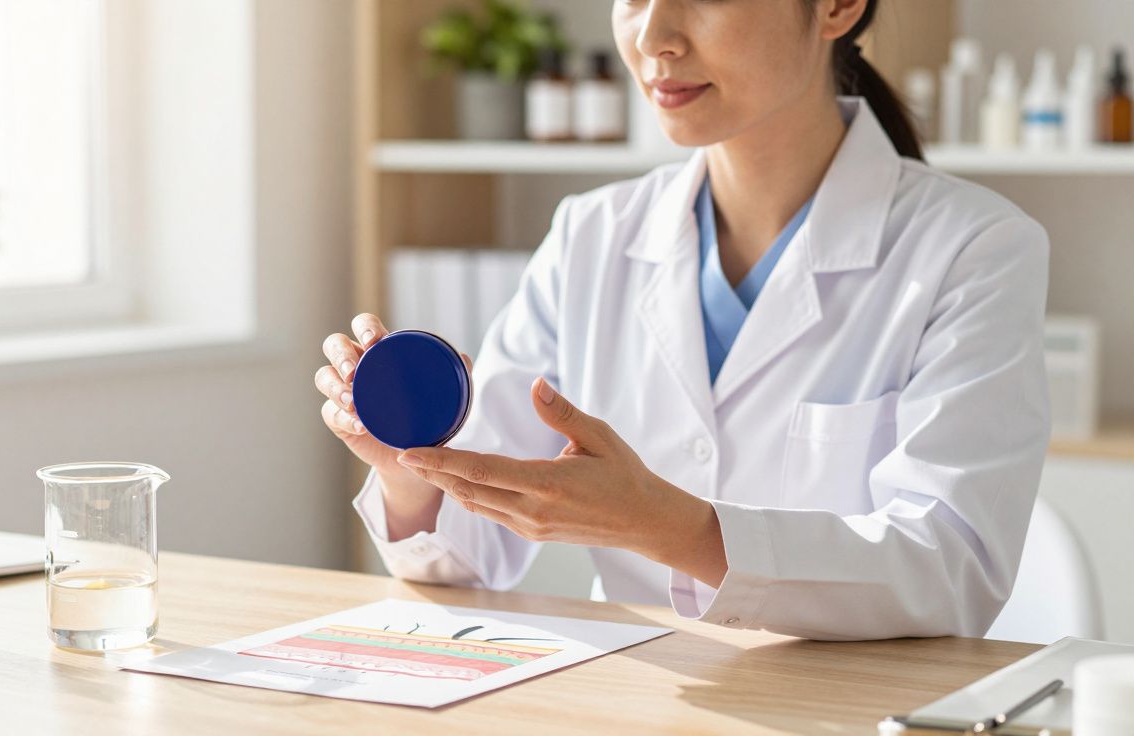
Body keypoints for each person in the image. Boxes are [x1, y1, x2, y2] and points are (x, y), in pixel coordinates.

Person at [315, 0, 1050, 641]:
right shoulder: (591, 235)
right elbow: (465, 556)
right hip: (638, 701)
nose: (654, 36)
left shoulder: (975, 249)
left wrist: (672, 529)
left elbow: (951, 571)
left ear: (837, 6)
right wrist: (414, 473)